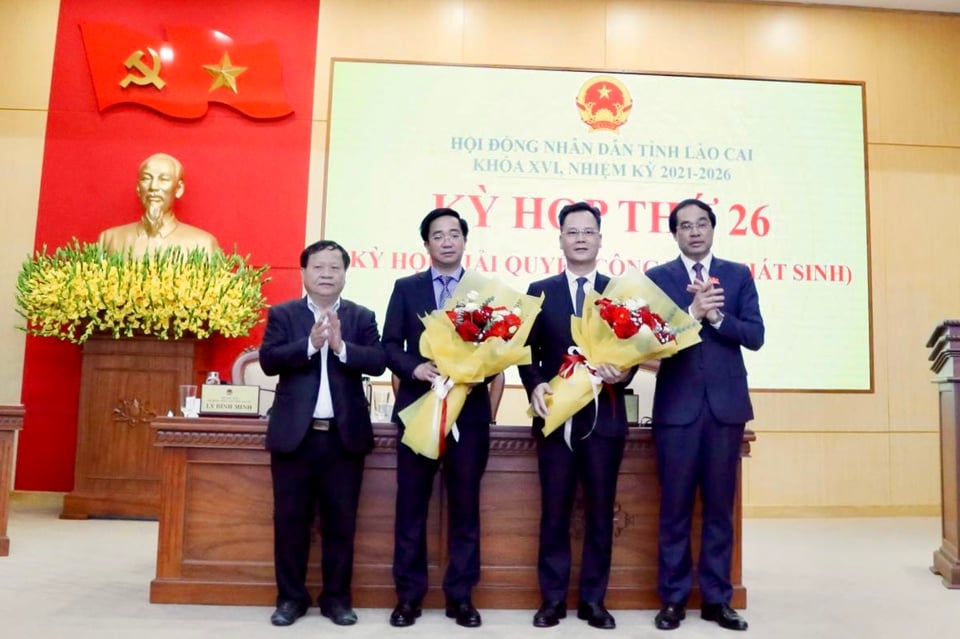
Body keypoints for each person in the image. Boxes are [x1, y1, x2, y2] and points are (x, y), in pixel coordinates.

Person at [644, 198, 764, 632]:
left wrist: (716, 318)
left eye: (701, 224)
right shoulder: (658, 279)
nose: (694, 232)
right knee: (674, 509)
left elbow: (755, 336)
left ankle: (718, 600)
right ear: (674, 234)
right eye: (684, 226)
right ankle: (673, 600)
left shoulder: (737, 275)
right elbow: (649, 343)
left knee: (719, 510)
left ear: (713, 229)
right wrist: (691, 317)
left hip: (725, 409)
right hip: (677, 410)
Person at [518, 201, 634, 630]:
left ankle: (593, 601)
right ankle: (551, 601)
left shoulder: (617, 291)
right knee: (554, 511)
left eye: (589, 231)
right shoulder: (539, 289)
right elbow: (525, 351)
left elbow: (632, 352)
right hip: (555, 419)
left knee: (601, 513)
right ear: (561, 239)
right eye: (573, 232)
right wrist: (534, 384)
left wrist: (623, 372)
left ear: (600, 239)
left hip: (604, 419)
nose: (581, 238)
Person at [258, 240, 386, 627]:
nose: (327, 274)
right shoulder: (283, 315)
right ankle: (290, 599)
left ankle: (336, 600)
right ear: (304, 274)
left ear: (345, 274)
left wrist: (341, 346)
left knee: (341, 524)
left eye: (335, 267)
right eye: (319, 267)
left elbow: (379, 361)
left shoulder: (361, 317)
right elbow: (268, 360)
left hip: (342, 438)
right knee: (290, 522)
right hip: (294, 439)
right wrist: (309, 345)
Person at [383, 208, 491, 629]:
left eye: (453, 234)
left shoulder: (483, 291)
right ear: (426, 244)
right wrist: (416, 368)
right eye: (437, 236)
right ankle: (408, 597)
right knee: (411, 506)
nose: (446, 241)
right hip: (419, 408)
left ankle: (461, 598)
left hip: (470, 411)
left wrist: (470, 371)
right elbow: (390, 344)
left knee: (465, 508)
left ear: (465, 241)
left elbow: (498, 349)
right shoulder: (406, 288)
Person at [97, 152, 219, 258]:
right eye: (146, 178)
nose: (153, 187)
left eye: (164, 180)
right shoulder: (109, 240)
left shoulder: (203, 244)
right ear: (138, 187)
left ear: (179, 188)